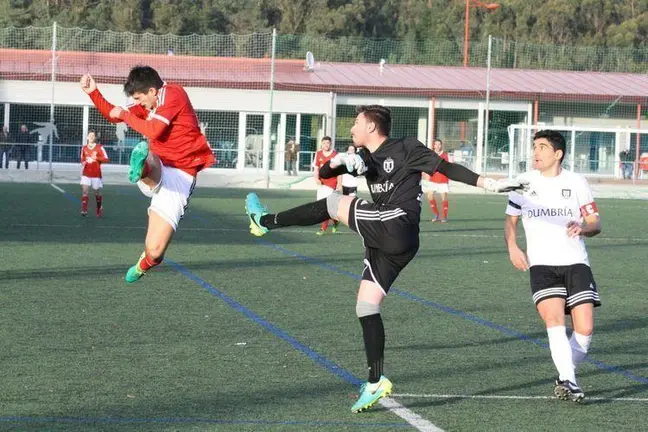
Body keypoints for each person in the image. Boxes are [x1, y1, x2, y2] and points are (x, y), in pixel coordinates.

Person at [244, 105, 527, 413]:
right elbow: (324, 175)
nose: (352, 128)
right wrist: (339, 162)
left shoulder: (406, 147)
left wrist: (490, 184)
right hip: (392, 241)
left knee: (334, 203)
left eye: (356, 122)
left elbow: (446, 168)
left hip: (397, 223)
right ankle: (375, 382)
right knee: (366, 307)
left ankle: (265, 221)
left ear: (371, 127)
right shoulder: (363, 157)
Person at [80, 66, 215, 283]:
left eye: (139, 98)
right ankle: (141, 167)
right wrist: (93, 92)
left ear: (152, 91)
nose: (138, 103)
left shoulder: (173, 93)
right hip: (160, 163)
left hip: (182, 174)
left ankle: (143, 265)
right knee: (150, 157)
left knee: (155, 251)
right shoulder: (148, 104)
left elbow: (153, 130)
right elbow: (114, 114)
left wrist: (124, 114)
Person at [505, 130, 601, 403]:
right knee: (555, 320)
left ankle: (564, 376)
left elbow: (595, 223)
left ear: (558, 154)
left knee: (585, 329)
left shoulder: (577, 182)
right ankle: (570, 382)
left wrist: (584, 228)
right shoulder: (523, 182)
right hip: (542, 265)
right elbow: (510, 220)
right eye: (535, 146)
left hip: (576, 262)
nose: (535, 152)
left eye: (542, 147)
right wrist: (512, 247)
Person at [313, 136, 340, 235]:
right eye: (324, 143)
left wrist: (339, 184)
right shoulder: (318, 153)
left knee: (326, 206)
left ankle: (323, 228)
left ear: (330, 144)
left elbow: (339, 171)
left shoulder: (335, 155)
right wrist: (316, 178)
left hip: (331, 183)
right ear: (321, 144)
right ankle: (336, 222)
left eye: (328, 143)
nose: (326, 145)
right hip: (321, 183)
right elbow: (316, 168)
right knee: (322, 206)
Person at [80, 130, 109, 217]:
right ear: (87, 137)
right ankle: (84, 210)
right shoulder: (84, 148)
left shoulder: (99, 147)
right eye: (90, 136)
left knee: (96, 193)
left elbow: (106, 159)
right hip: (86, 173)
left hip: (96, 174)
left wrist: (96, 157)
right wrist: (83, 162)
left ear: (95, 137)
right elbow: (82, 158)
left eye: (93, 136)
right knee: (85, 191)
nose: (91, 137)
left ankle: (99, 208)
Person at [421, 138, 450, 222]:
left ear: (441, 145)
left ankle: (444, 216)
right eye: (436, 144)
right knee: (429, 195)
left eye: (439, 144)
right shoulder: (431, 154)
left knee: (443, 197)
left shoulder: (445, 155)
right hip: (433, 179)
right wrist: (424, 171)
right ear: (434, 146)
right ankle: (436, 214)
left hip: (442, 179)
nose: (437, 146)